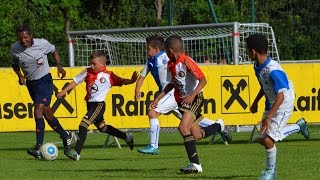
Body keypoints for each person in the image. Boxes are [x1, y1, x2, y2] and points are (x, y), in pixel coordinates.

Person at [135, 35, 230, 155]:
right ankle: (218, 126)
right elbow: (145, 77)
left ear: (158, 49)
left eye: (148, 48)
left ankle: (154, 146)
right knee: (194, 130)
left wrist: (190, 94)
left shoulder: (172, 58)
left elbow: (200, 78)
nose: (147, 51)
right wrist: (139, 90)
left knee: (153, 112)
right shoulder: (153, 61)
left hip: (174, 94)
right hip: (173, 94)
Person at [246, 34, 310, 180]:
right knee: (261, 138)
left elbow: (281, 95)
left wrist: (268, 117)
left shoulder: (273, 70)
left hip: (283, 102)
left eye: (247, 50)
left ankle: (270, 172)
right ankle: (298, 127)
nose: (247, 53)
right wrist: (256, 102)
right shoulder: (257, 66)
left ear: (253, 51)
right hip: (272, 102)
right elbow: (265, 85)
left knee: (268, 140)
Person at [57, 50, 138, 161]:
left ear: (103, 64)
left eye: (94, 64)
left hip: (98, 105)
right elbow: (75, 82)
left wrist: (132, 81)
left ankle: (76, 153)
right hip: (90, 105)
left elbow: (123, 81)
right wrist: (63, 91)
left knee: (83, 125)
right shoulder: (87, 71)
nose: (92, 65)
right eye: (91, 63)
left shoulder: (109, 76)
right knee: (102, 128)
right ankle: (126, 136)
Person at [10, 24, 72, 159]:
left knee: (37, 109)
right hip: (31, 84)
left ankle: (38, 146)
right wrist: (20, 75)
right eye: (20, 38)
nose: (23, 41)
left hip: (44, 80)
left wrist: (59, 65)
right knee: (47, 113)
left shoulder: (42, 44)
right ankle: (65, 135)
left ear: (31, 35)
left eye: (25, 37)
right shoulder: (15, 48)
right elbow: (14, 64)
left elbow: (53, 49)